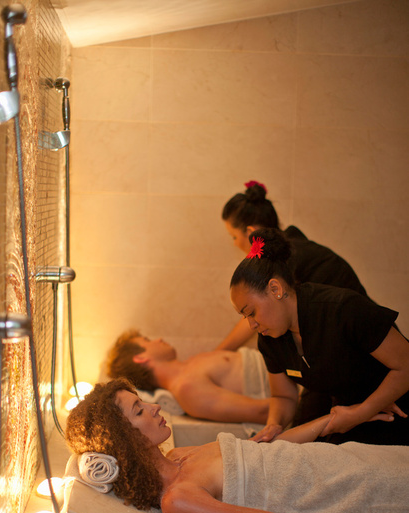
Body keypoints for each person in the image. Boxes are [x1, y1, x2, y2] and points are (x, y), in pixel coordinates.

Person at [65, 378, 409, 513]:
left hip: (340, 459)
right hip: (340, 488)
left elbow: (266, 449)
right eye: (139, 410)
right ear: (124, 441)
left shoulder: (179, 455)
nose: (154, 407)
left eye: (142, 401)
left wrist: (334, 421)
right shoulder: (179, 500)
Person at [230, 228, 409, 445]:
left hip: (395, 409)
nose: (251, 324)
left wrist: (362, 412)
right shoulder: (269, 338)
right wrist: (274, 424)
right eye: (245, 316)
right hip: (347, 413)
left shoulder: (341, 309)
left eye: (251, 312)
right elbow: (283, 397)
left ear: (275, 289)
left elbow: (406, 364)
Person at [219, 179, 368, 353]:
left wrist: (218, 352)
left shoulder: (288, 258)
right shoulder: (292, 248)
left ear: (251, 233)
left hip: (366, 346)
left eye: (234, 237)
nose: (236, 244)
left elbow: (258, 312)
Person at [106, 329, 270, 424]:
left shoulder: (191, 366)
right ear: (141, 358)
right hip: (291, 384)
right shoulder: (187, 389)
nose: (159, 339)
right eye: (147, 340)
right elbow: (262, 412)